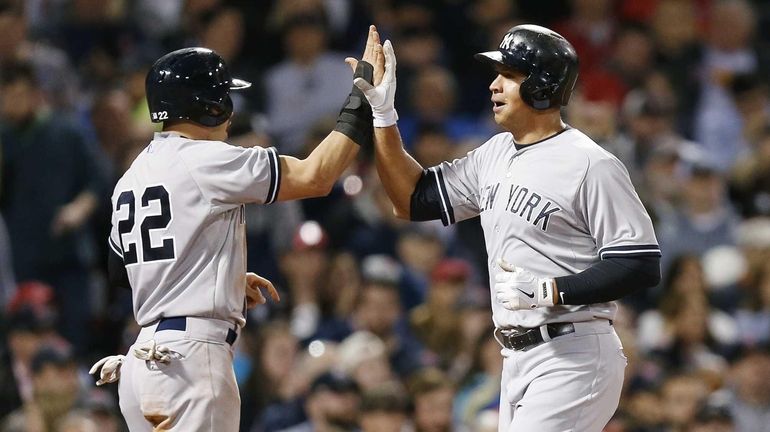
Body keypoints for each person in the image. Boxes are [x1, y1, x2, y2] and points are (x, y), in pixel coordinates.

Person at [350, 24, 662, 431]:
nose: (495, 86)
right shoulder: (493, 153)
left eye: (510, 76)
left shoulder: (591, 164)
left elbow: (640, 262)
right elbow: (409, 199)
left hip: (574, 353)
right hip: (516, 357)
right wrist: (384, 115)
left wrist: (551, 289)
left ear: (542, 86)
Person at [89, 25, 384, 432]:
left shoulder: (132, 174)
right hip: (190, 361)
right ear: (208, 105)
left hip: (143, 362)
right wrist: (363, 98)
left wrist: (212, 274)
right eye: (224, 95)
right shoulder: (208, 159)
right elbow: (316, 176)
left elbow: (122, 272)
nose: (230, 105)